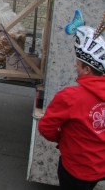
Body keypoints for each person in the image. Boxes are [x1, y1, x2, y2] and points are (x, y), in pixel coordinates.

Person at [38, 13, 105, 189]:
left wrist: (62, 139)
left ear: (87, 70)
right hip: (100, 166)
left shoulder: (70, 96)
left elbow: (46, 127)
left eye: (78, 63)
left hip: (76, 168)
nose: (75, 65)